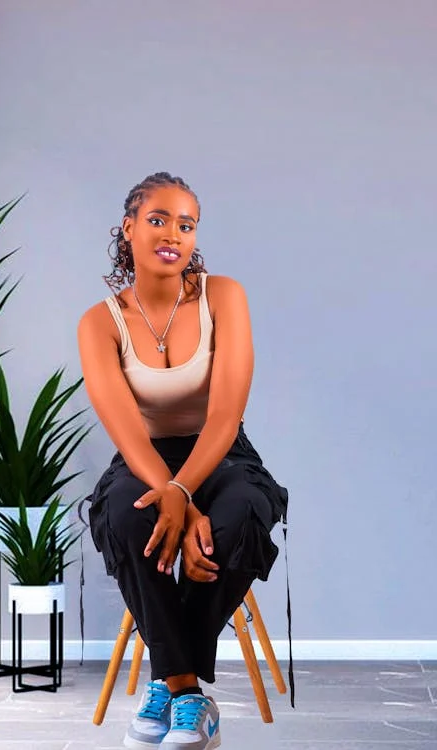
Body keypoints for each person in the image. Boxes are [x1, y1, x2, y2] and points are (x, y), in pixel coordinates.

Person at [77, 172, 289, 750]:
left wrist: (183, 493)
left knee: (241, 516)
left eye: (186, 224)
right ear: (128, 229)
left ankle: (169, 684)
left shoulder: (225, 296)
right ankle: (190, 693)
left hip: (221, 453)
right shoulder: (99, 322)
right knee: (125, 517)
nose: (173, 233)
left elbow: (225, 416)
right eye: (158, 219)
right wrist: (174, 498)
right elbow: (127, 433)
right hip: (144, 458)